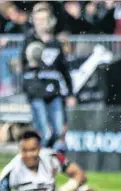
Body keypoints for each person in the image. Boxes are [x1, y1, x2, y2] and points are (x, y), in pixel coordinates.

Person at [21, 2, 76, 152]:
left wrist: (70, 93)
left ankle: (50, 161)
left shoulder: (56, 43)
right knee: (45, 132)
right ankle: (40, 162)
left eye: (43, 19)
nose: (40, 23)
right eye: (38, 19)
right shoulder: (29, 41)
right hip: (37, 91)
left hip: (54, 92)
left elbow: (64, 71)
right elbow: (22, 66)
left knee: (59, 131)